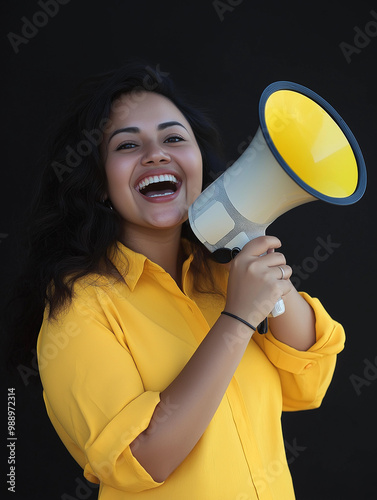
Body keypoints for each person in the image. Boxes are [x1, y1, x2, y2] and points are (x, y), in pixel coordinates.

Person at [12, 61, 345, 499]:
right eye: (127, 145)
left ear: (199, 166)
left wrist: (261, 255)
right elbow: (142, 457)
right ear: (98, 184)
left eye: (173, 138)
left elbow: (308, 380)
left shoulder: (226, 272)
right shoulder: (81, 308)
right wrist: (239, 318)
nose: (156, 154)